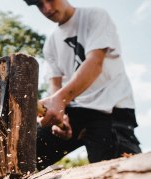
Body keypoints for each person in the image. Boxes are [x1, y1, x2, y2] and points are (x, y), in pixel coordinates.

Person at [23, 0, 142, 170]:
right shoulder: (50, 44)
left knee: (119, 169)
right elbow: (55, 85)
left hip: (111, 109)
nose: (47, 8)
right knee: (27, 152)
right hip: (75, 110)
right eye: (39, 5)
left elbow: (95, 63)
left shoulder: (95, 16)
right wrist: (59, 116)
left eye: (49, 0)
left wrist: (60, 100)